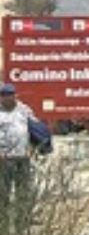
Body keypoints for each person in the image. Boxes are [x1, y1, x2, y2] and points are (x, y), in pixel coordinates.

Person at [0, 84, 39, 216]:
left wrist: (34, 147)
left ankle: (21, 225)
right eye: (4, 95)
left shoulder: (24, 110)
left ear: (15, 95)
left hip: (23, 157)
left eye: (10, 95)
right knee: (4, 193)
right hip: (4, 159)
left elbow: (35, 129)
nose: (7, 98)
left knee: (23, 192)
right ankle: (3, 224)